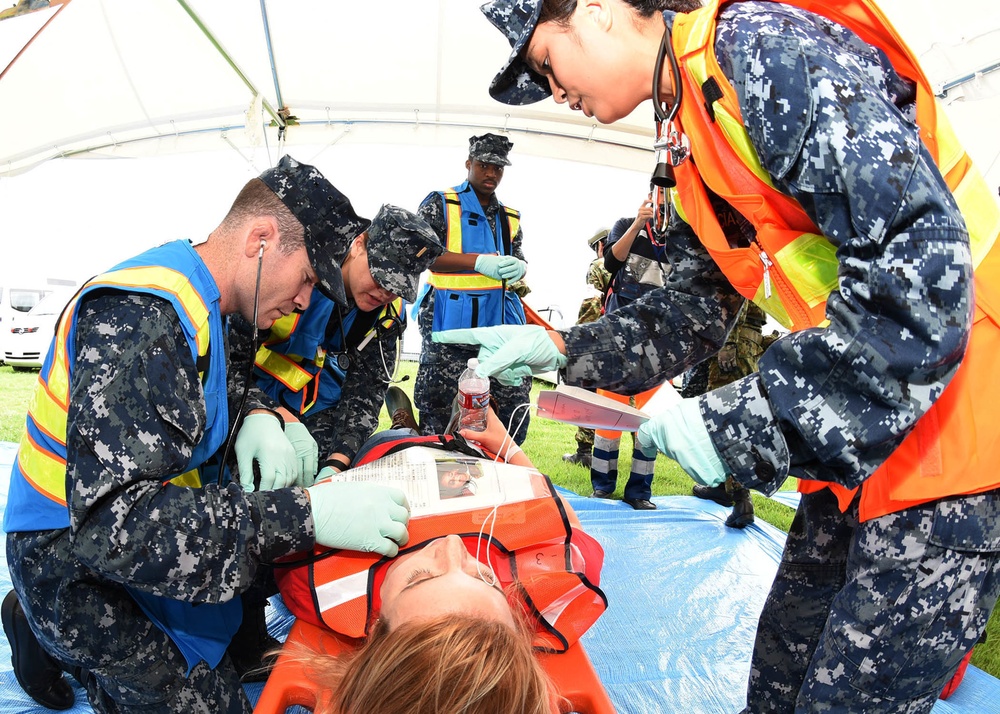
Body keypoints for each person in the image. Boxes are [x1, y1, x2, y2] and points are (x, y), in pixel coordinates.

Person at [451, 1, 1000, 711]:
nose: (555, 93)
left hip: (955, 441)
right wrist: (562, 347)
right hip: (864, 448)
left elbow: (921, 267)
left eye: (547, 65)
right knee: (775, 690)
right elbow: (692, 312)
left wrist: (752, 422)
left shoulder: (757, 48)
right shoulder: (689, 135)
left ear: (597, 11)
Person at [1, 155, 412, 713]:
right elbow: (112, 531)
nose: (305, 302)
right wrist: (308, 514)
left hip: (140, 530)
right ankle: (47, 628)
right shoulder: (144, 317)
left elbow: (218, 396)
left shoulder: (219, 306)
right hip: (71, 558)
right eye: (309, 279)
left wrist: (263, 417)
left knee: (292, 562)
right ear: (260, 240)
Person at [274, 396, 607, 714]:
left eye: (420, 577)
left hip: (387, 454)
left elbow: (292, 519)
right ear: (518, 628)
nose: (451, 545)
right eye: (486, 578)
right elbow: (566, 524)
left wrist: (325, 484)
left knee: (397, 434)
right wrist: (506, 444)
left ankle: (404, 425)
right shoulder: (533, 595)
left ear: (376, 629)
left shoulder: (315, 583)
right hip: (468, 458)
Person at [228, 203, 443, 486]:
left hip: (321, 407)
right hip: (249, 397)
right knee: (258, 483)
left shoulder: (388, 316)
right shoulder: (291, 272)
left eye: (398, 287)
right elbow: (225, 363)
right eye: (381, 277)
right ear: (357, 245)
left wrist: (336, 467)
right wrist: (270, 414)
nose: (385, 293)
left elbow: (365, 393)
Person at [413, 133, 532, 445]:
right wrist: (477, 261)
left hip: (498, 322)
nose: (491, 173)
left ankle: (502, 462)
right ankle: (435, 460)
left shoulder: (510, 217)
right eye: (484, 166)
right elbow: (421, 254)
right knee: (438, 403)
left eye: (498, 168)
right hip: (448, 320)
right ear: (469, 164)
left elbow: (515, 258)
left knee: (513, 401)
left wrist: (519, 266)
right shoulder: (441, 203)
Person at [589, 196, 672, 510]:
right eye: (662, 201)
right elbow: (611, 262)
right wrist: (639, 223)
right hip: (617, 339)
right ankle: (602, 487)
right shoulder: (626, 226)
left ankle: (639, 492)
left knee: (649, 423)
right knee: (607, 417)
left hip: (658, 345)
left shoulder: (680, 241)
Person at [691, 300, 772, 528]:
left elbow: (739, 297)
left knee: (725, 423)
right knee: (736, 421)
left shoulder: (740, 263)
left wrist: (729, 343)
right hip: (748, 342)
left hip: (734, 342)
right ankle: (724, 488)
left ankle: (740, 498)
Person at [562, 227, 612, 468]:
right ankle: (639, 456)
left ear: (601, 245)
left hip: (599, 340)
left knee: (589, 394)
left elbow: (591, 303)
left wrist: (578, 340)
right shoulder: (635, 264)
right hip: (628, 341)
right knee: (627, 398)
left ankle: (584, 452)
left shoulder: (598, 265)